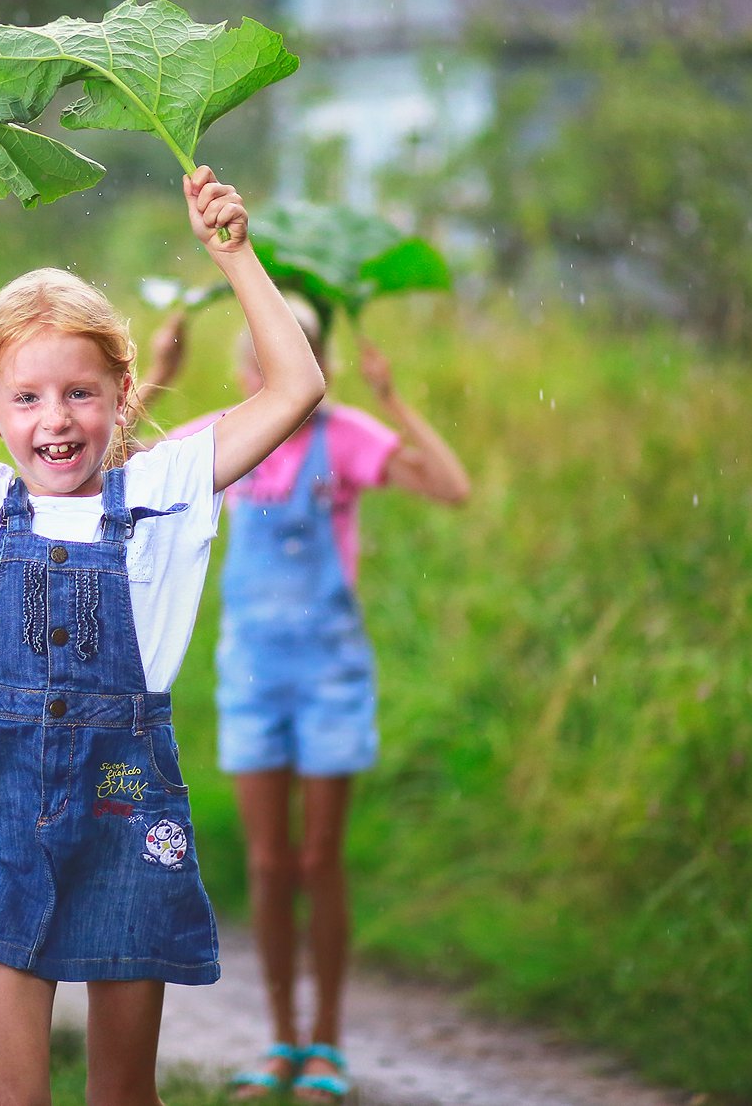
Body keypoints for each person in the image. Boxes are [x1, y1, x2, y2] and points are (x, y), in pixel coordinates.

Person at [0, 148, 325, 1106]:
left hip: (126, 802)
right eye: (29, 396)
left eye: (81, 392)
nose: (57, 419)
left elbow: (296, 389)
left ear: (122, 394)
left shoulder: (168, 489)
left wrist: (234, 255)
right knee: (11, 1094)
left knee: (122, 1094)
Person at [143, 298, 471, 1103]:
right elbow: (113, 466)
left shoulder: (347, 437)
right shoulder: (226, 437)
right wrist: (158, 375)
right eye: (265, 356)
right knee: (266, 859)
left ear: (316, 362)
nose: (281, 370)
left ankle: (327, 1040)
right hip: (252, 675)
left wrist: (394, 400)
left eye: (300, 354)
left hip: (332, 676)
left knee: (319, 859)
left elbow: (452, 489)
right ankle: (279, 1038)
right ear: (248, 366)